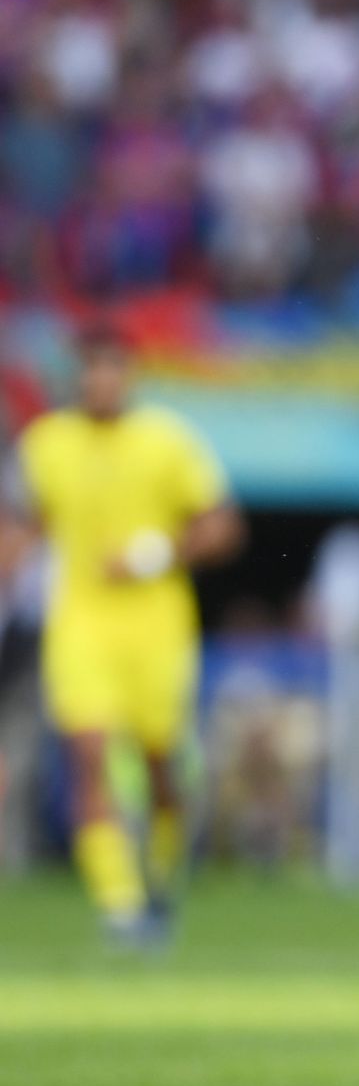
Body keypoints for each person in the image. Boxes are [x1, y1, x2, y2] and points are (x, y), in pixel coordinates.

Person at [0, 328, 244, 942]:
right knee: (87, 756)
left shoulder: (166, 442)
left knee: (159, 765)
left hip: (156, 627)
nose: (99, 382)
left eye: (110, 370)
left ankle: (161, 882)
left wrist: (157, 554)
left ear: (128, 375)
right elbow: (24, 527)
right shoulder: (47, 445)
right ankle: (122, 908)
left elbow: (222, 526)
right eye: (89, 371)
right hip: (80, 623)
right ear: (76, 378)